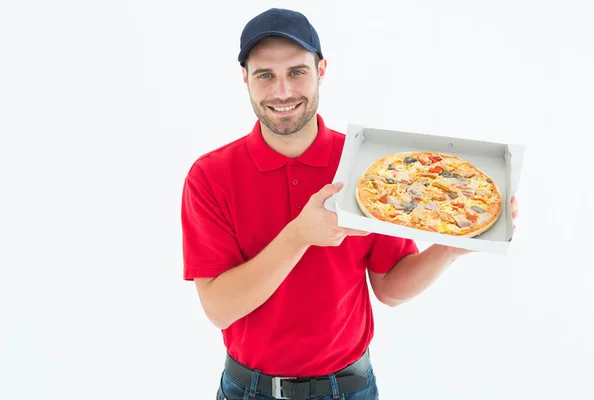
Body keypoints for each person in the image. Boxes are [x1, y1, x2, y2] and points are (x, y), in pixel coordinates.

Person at [180, 8, 519, 400]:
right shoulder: (210, 176)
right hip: (247, 390)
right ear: (245, 79)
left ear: (322, 69)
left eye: (297, 72)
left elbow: (390, 288)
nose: (283, 92)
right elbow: (219, 309)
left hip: (350, 388)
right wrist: (299, 236)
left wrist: (449, 247)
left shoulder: (363, 166)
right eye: (265, 75)